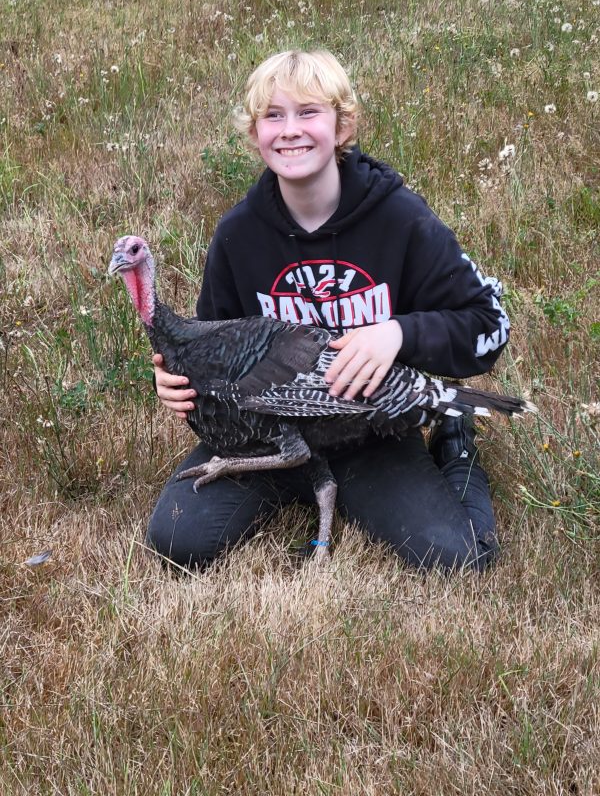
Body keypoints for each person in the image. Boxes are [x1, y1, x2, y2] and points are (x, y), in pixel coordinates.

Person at [148, 49, 510, 572]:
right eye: (273, 115)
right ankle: (302, 481)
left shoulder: (399, 219)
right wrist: (180, 382)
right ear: (255, 135)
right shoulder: (238, 236)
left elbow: (489, 325)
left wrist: (397, 335)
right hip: (269, 434)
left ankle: (455, 438)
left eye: (308, 112)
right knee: (177, 540)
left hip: (368, 428)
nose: (290, 130)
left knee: (458, 558)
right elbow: (214, 351)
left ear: (342, 126)